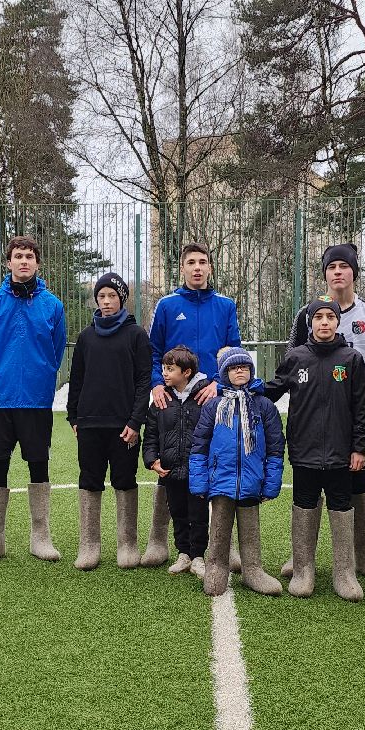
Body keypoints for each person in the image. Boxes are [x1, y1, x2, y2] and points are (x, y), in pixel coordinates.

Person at [284, 243, 365, 582]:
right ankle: (301, 559)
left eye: (344, 267)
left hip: (355, 417)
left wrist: (348, 388)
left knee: (357, 480)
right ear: (325, 274)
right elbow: (293, 357)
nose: (338, 273)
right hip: (314, 416)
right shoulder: (308, 312)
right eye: (332, 268)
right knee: (310, 481)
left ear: (354, 273)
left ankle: (364, 556)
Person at [0, 236, 68, 565]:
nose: (23, 261)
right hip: (0, 398)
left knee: (38, 464)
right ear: (8, 262)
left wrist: (38, 374)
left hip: (37, 400)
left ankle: (41, 536)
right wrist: (3, 372)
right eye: (17, 256)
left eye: (29, 256)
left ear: (37, 263)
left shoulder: (52, 304)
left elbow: (57, 350)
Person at [267, 298, 365, 601]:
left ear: (338, 322)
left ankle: (344, 572)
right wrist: (243, 389)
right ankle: (303, 569)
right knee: (304, 505)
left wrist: (359, 448)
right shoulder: (296, 357)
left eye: (330, 317)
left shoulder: (351, 359)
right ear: (309, 322)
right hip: (304, 451)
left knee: (341, 506)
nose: (324, 322)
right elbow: (274, 389)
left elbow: (361, 408)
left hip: (342, 454)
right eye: (318, 317)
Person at [144, 242, 239, 568]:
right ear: (182, 269)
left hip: (213, 398)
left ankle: (224, 544)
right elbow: (154, 352)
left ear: (210, 268)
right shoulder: (168, 305)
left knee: (215, 466)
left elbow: (233, 354)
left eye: (202, 262)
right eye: (191, 263)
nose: (197, 268)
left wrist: (217, 382)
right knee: (172, 467)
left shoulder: (225, 305)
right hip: (175, 399)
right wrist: (159, 383)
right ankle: (166, 542)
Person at [67, 272, 151, 570]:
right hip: (89, 423)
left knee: (124, 481)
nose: (106, 301)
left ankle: (127, 544)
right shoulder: (86, 337)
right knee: (90, 480)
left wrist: (135, 421)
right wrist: (73, 416)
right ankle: (89, 545)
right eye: (101, 296)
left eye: (112, 296)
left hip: (124, 425)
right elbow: (76, 379)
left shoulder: (136, 335)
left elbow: (143, 382)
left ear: (121, 299)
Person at [189, 346, 285, 597]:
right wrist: (199, 482)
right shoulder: (214, 406)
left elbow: (276, 448)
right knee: (219, 531)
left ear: (251, 371)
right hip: (220, 482)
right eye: (233, 368)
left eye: (243, 367)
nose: (239, 371)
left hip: (252, 483)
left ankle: (253, 570)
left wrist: (271, 482)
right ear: (224, 373)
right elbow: (199, 445)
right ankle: (216, 567)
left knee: (250, 532)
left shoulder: (264, 406)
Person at [143, 346, 209, 579]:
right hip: (170, 470)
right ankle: (183, 553)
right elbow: (150, 434)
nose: (165, 373)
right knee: (178, 512)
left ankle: (199, 556)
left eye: (170, 369)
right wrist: (152, 461)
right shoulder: (161, 400)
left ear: (187, 372)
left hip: (198, 471)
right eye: (163, 368)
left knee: (198, 514)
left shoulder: (205, 398)